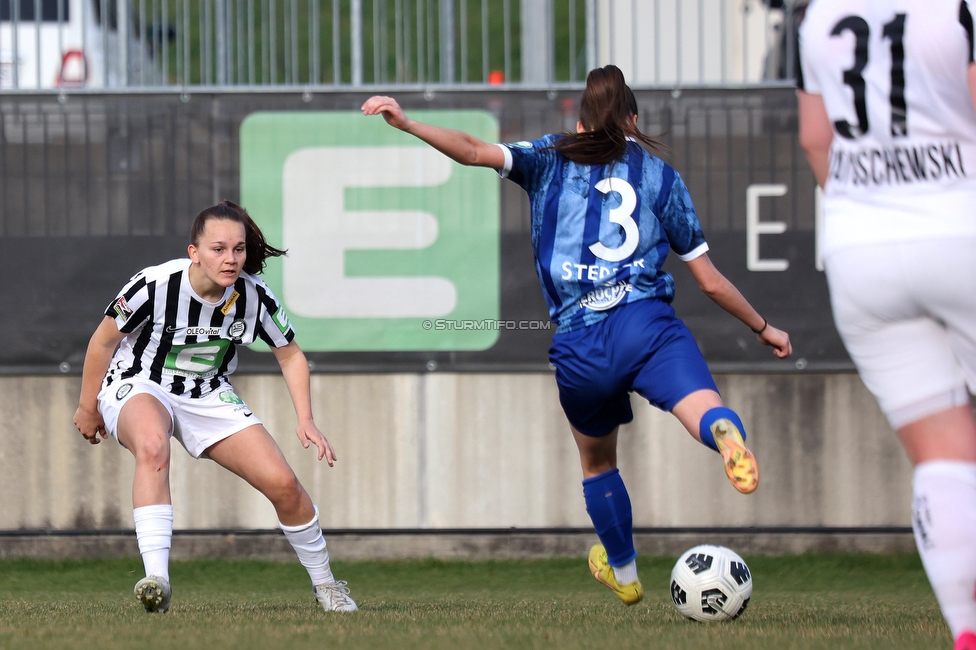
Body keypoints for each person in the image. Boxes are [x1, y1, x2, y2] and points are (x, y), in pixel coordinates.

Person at [362, 65, 792, 606]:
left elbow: (472, 150)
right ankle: (724, 435)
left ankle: (627, 575)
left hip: (580, 343)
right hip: (646, 324)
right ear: (633, 120)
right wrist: (763, 327)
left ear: (582, 121)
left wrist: (407, 123)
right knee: (703, 409)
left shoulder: (548, 156)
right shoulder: (660, 178)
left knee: (598, 463)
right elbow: (709, 281)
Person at [72, 201, 358, 614]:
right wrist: (86, 407)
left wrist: (306, 419)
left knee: (284, 484)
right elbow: (103, 341)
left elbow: (290, 354)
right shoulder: (154, 284)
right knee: (153, 446)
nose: (230, 259)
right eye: (218, 249)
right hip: (140, 383)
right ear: (195, 252)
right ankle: (157, 581)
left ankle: (327, 585)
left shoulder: (253, 296)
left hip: (208, 393)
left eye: (238, 249)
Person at [797, 2, 976, 648]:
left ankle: (966, 630)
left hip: (859, 247)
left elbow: (816, 139)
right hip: (960, 225)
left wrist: (865, 211)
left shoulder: (817, 14)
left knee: (942, 458)